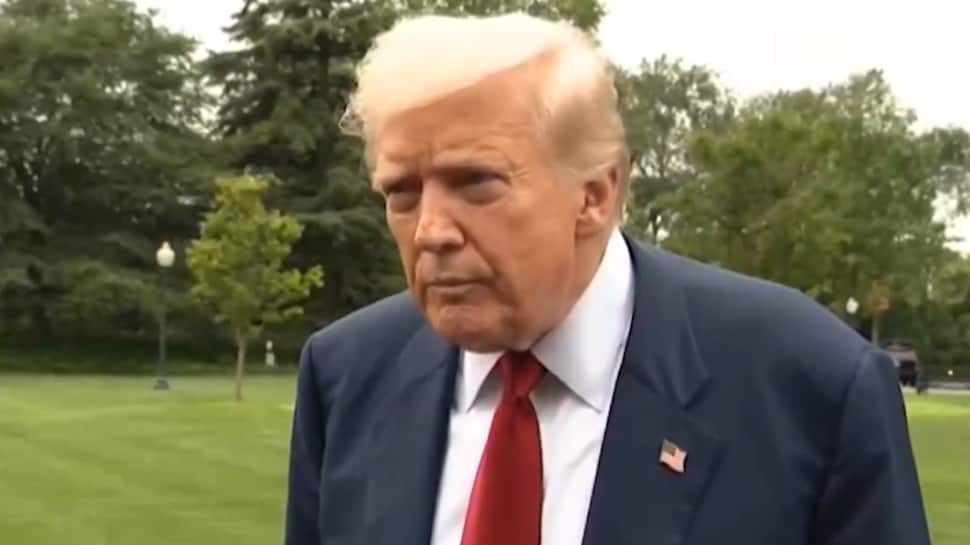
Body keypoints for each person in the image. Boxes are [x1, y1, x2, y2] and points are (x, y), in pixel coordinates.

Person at [284, 13, 930, 545]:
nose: (430, 230)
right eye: (401, 192)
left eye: (475, 182)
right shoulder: (346, 376)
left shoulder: (811, 385)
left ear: (595, 194)